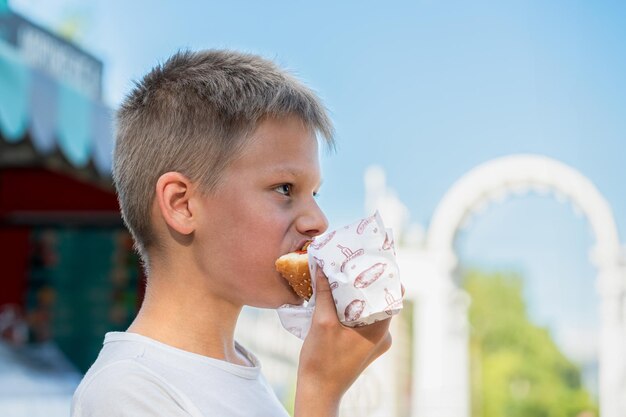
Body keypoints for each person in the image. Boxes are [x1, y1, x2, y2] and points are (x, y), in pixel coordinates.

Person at [71, 49, 392, 417]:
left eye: (314, 193)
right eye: (285, 188)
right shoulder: (125, 390)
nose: (318, 221)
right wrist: (320, 391)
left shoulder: (241, 372)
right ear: (182, 205)